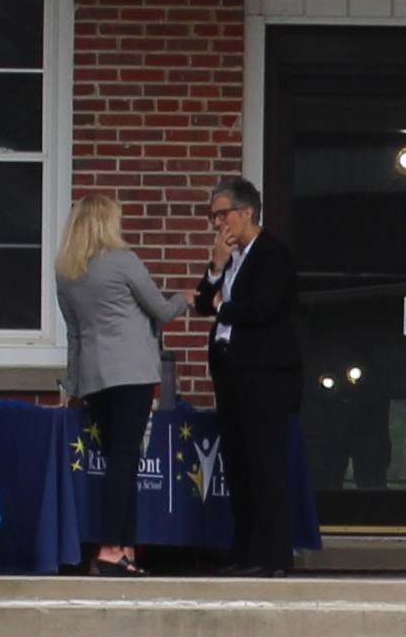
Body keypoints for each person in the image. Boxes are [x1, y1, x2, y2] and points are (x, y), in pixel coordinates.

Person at [50, 192, 183, 576]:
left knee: (118, 459)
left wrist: (74, 385)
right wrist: (184, 299)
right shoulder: (123, 262)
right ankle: (111, 548)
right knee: (126, 459)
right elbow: (161, 309)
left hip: (94, 377)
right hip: (132, 373)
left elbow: (74, 335)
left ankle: (124, 548)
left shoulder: (66, 271)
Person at [198, 175, 306, 577]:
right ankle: (244, 551)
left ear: (246, 212)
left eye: (222, 215)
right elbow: (202, 305)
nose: (217, 224)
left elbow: (260, 309)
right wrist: (216, 269)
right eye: (212, 217)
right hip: (230, 372)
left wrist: (223, 305)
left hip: (265, 374)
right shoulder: (230, 257)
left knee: (266, 465)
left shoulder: (272, 254)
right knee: (238, 465)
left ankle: (272, 556)